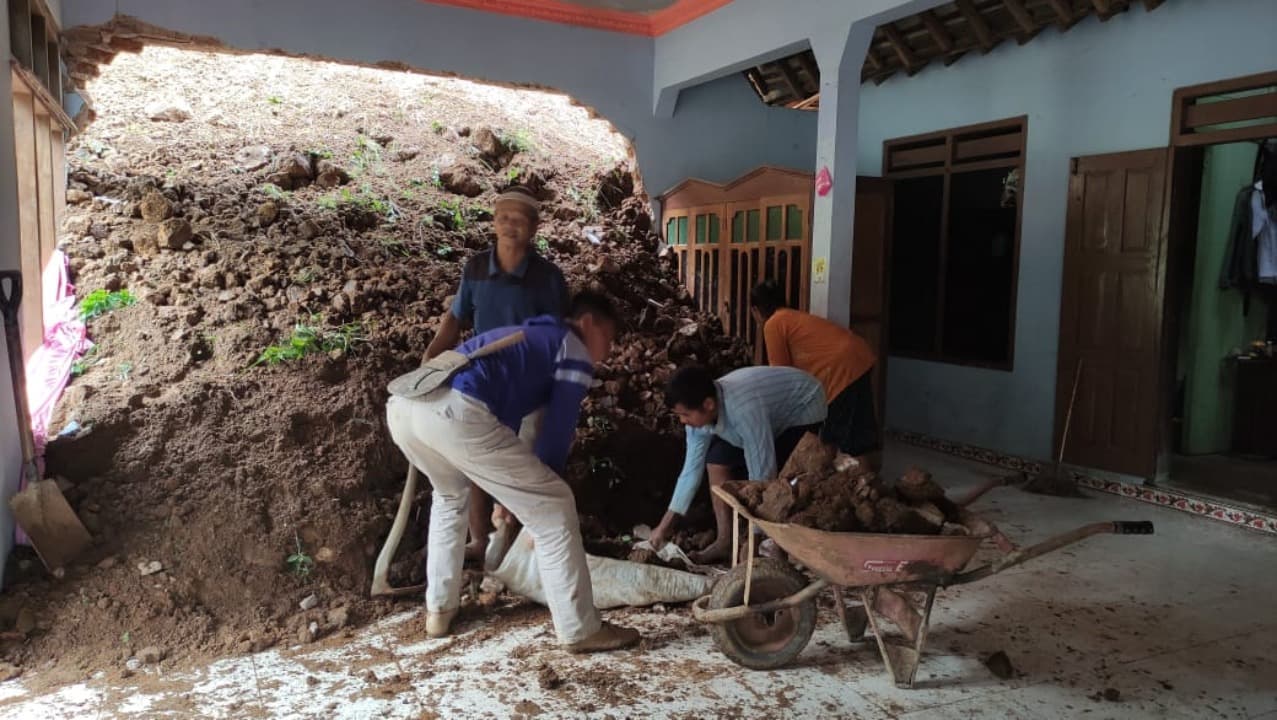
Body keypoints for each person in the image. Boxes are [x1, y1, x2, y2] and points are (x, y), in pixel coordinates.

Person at [386, 291, 640, 652]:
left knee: (449, 497)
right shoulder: (573, 349)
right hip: (457, 411)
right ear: (588, 323)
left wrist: (511, 496)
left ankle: (439, 610)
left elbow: (498, 435)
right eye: (609, 338)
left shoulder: (529, 337)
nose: (609, 350)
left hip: (407, 407)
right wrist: (530, 502)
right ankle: (581, 629)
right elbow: (558, 430)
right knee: (554, 508)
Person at [423, 186, 569, 563]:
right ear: (493, 221)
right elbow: (456, 318)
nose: (509, 226)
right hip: (484, 381)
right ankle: (478, 539)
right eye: (503, 217)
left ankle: (514, 542)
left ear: (535, 227)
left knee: (522, 462)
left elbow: (555, 334)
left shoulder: (548, 278)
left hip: (531, 385)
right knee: (475, 459)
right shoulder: (475, 269)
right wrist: (431, 360)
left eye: (519, 220)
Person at [648, 365, 826, 563]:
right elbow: (690, 472)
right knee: (716, 460)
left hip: (802, 406)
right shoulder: (699, 418)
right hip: (762, 413)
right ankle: (725, 542)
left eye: (685, 415)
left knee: (785, 477)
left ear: (708, 405)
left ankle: (778, 546)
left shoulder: (743, 409)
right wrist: (663, 528)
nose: (682, 421)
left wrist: (754, 540)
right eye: (678, 415)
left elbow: (762, 472)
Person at [750, 279, 882, 470]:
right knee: (840, 433)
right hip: (857, 357)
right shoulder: (790, 316)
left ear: (755, 310)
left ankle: (867, 487)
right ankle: (848, 483)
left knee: (850, 438)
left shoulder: (773, 324)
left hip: (842, 370)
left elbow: (780, 375)